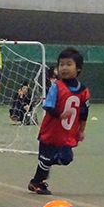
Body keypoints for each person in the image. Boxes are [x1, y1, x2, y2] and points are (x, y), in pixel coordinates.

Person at [28, 47, 90, 195]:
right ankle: (36, 182)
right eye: (61, 64)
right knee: (46, 158)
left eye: (69, 64)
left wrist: (81, 130)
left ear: (78, 68)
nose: (64, 68)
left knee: (66, 158)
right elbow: (48, 106)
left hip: (67, 133)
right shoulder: (56, 87)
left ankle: (45, 165)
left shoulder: (83, 91)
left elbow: (84, 112)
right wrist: (60, 114)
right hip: (51, 132)